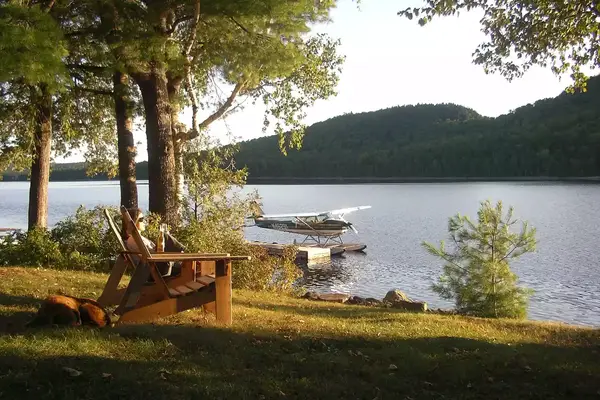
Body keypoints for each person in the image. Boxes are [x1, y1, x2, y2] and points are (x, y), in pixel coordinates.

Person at [121, 207, 186, 279]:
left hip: (154, 266)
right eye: (141, 219)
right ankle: (184, 255)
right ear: (134, 221)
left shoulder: (135, 238)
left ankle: (184, 258)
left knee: (164, 236)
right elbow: (151, 254)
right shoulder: (133, 239)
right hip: (155, 270)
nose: (144, 221)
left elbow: (149, 252)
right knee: (165, 236)